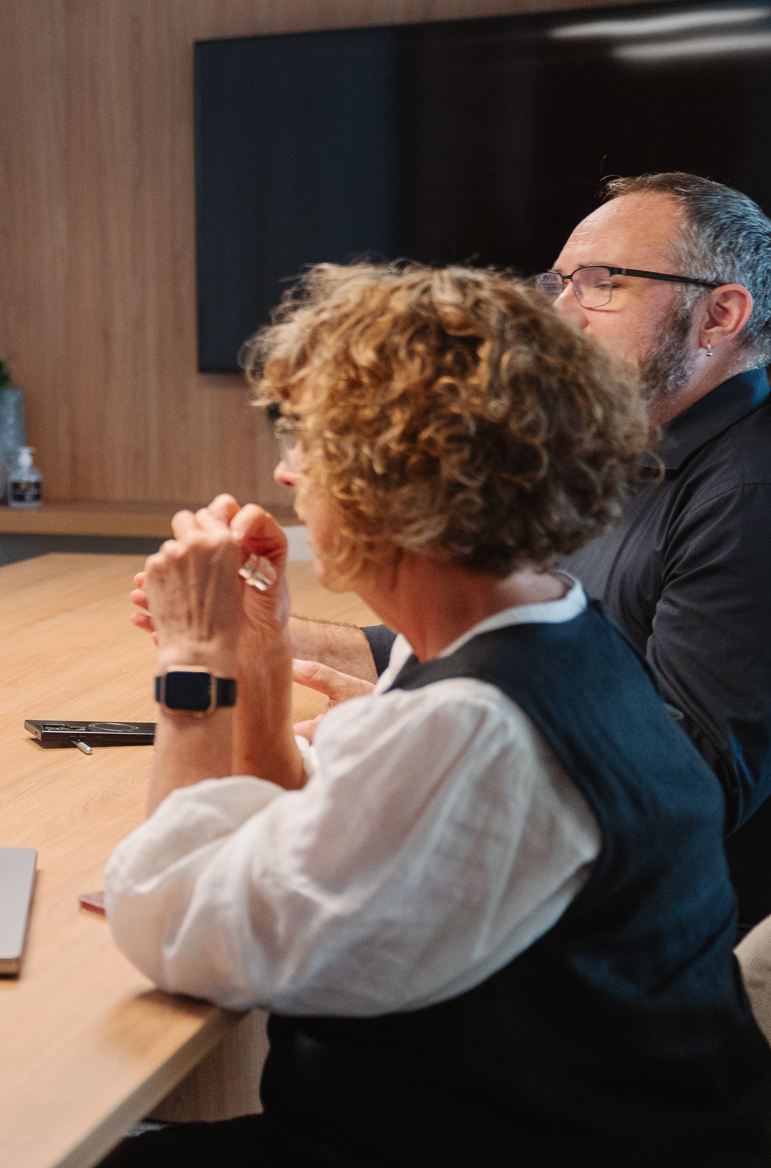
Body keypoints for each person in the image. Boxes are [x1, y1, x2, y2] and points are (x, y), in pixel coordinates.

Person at [104, 264, 771, 1165]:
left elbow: (173, 924)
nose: (285, 468)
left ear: (396, 484)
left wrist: (195, 662)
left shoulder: (472, 726)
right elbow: (308, 837)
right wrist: (259, 655)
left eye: (308, 440)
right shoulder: (553, 629)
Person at [283, 174, 771, 932]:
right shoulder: (620, 454)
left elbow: (695, 777)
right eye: (560, 283)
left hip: (631, 931)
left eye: (602, 284)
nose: (560, 313)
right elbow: (491, 638)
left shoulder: (748, 496)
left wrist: (421, 734)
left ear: (720, 315)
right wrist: (275, 634)